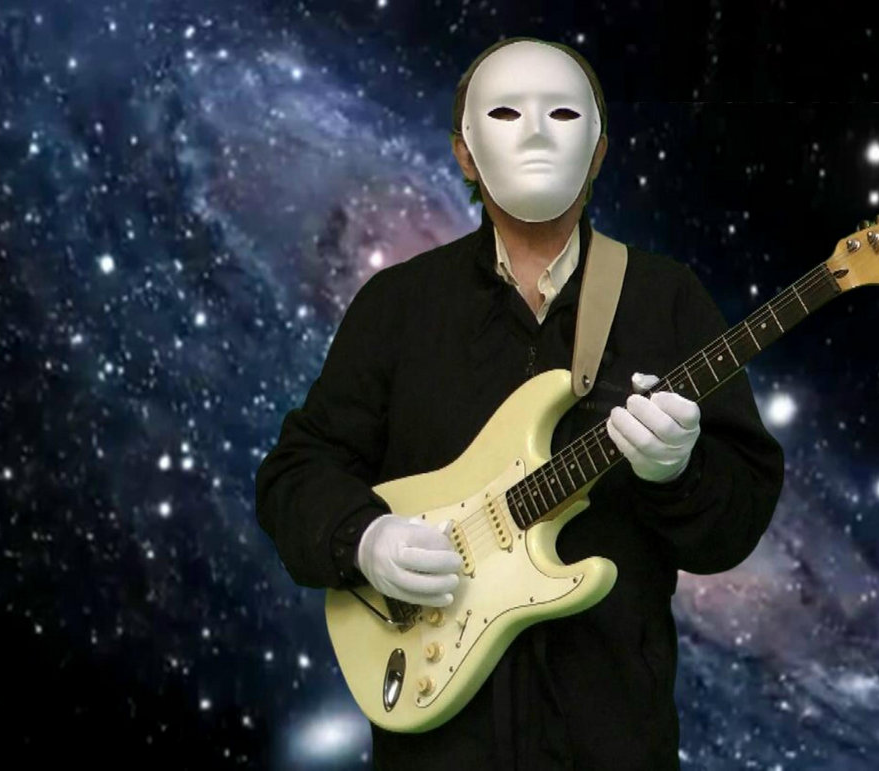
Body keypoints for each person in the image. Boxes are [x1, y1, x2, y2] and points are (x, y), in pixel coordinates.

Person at [255, 36, 785, 770]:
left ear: (599, 152)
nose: (536, 132)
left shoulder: (666, 298)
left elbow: (733, 528)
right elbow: (295, 472)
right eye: (505, 113)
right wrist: (363, 539)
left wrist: (679, 473)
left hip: (612, 746)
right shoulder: (397, 305)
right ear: (464, 154)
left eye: (563, 113)